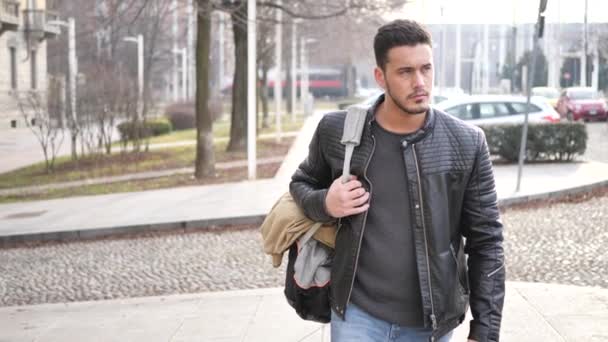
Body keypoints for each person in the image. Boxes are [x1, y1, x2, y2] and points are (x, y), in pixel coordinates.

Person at [289, 19, 505, 342]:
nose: (420, 82)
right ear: (380, 76)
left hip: (429, 323)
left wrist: (485, 331)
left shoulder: (466, 143)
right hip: (356, 315)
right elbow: (300, 183)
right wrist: (326, 203)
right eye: (405, 72)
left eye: (426, 69)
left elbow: (487, 241)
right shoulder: (338, 132)